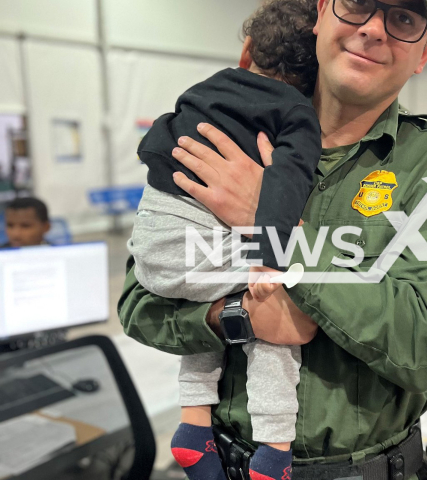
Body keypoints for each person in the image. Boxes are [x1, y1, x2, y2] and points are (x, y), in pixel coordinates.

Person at [120, 1, 427, 479]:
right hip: (223, 462)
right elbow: (139, 300)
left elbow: (423, 348)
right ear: (322, 15)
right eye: (358, 5)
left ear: (425, 51)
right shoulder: (230, 131)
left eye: (403, 18)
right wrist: (238, 318)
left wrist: (269, 224)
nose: (374, 29)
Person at [128, 2, 321, 479]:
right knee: (274, 310)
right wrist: (269, 261)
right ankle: (275, 449)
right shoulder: (297, 112)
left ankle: (194, 424)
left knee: (213, 295)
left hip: (151, 247)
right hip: (195, 247)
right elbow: (286, 186)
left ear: (247, 51)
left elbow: (155, 140)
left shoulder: (203, 89)